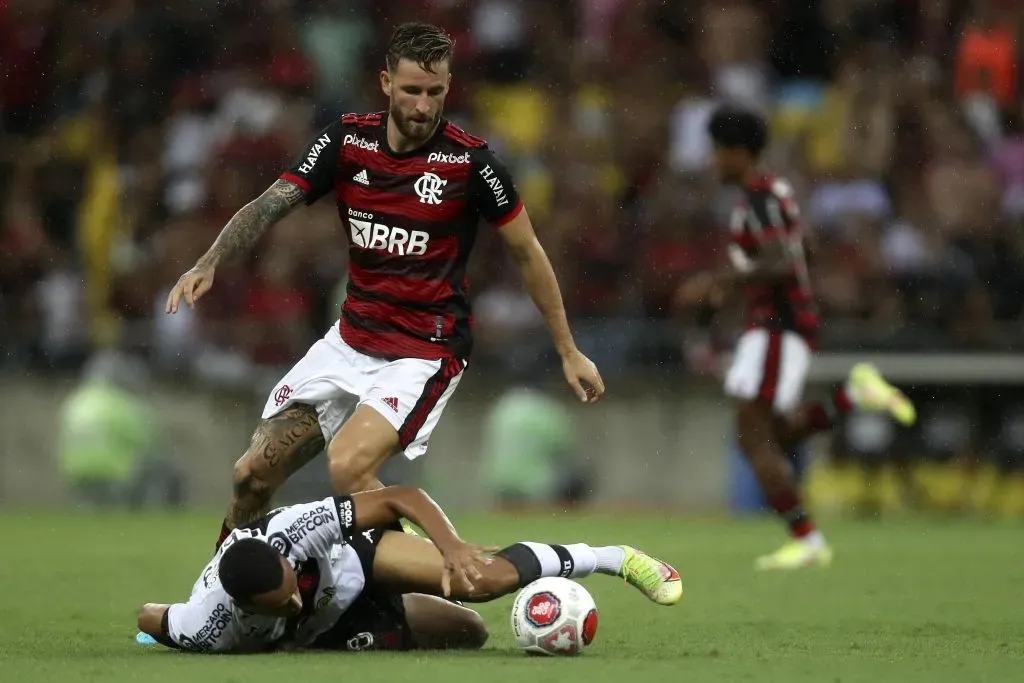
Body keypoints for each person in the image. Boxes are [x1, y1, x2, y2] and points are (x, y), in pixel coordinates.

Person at [163, 23, 605, 543]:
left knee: (348, 468)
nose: (423, 106)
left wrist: (568, 349)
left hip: (424, 351)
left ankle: (443, 572)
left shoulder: (472, 163)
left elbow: (528, 254)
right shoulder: (346, 142)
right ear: (386, 83)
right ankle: (218, 605)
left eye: (435, 92)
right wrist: (209, 260)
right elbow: (270, 203)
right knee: (251, 476)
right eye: (412, 90)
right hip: (349, 342)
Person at [676, 105, 917, 570]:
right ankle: (852, 397)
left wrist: (720, 283)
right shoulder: (776, 191)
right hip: (781, 325)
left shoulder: (760, 197)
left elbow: (783, 261)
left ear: (738, 152)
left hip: (776, 326)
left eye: (717, 152)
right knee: (773, 435)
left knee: (752, 437)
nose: (712, 162)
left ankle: (807, 540)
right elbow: (803, 248)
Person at [136, 486, 681, 653]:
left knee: (479, 580)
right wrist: (156, 637)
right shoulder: (203, 627)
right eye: (281, 604)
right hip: (335, 631)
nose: (293, 599)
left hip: (361, 560)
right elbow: (150, 617)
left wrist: (451, 546)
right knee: (470, 634)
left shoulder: (296, 531)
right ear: (245, 608)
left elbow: (399, 496)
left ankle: (615, 558)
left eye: (292, 585)